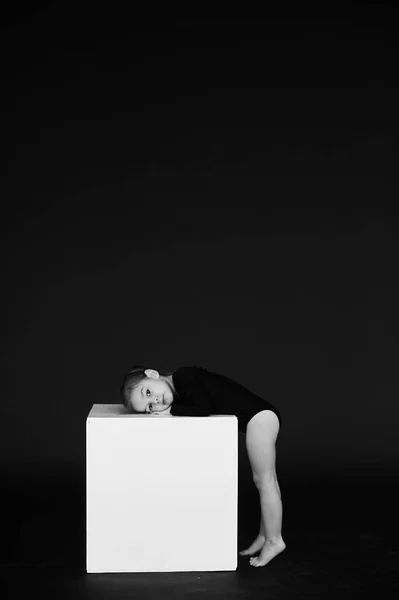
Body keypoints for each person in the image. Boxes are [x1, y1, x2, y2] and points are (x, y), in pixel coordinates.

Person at [121, 364, 286, 568]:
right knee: (268, 481)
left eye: (147, 392)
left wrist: (170, 412)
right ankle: (264, 536)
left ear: (153, 374)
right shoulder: (181, 389)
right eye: (149, 407)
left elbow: (202, 409)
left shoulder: (184, 377)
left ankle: (274, 540)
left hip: (260, 418)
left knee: (264, 481)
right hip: (260, 417)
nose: (155, 401)